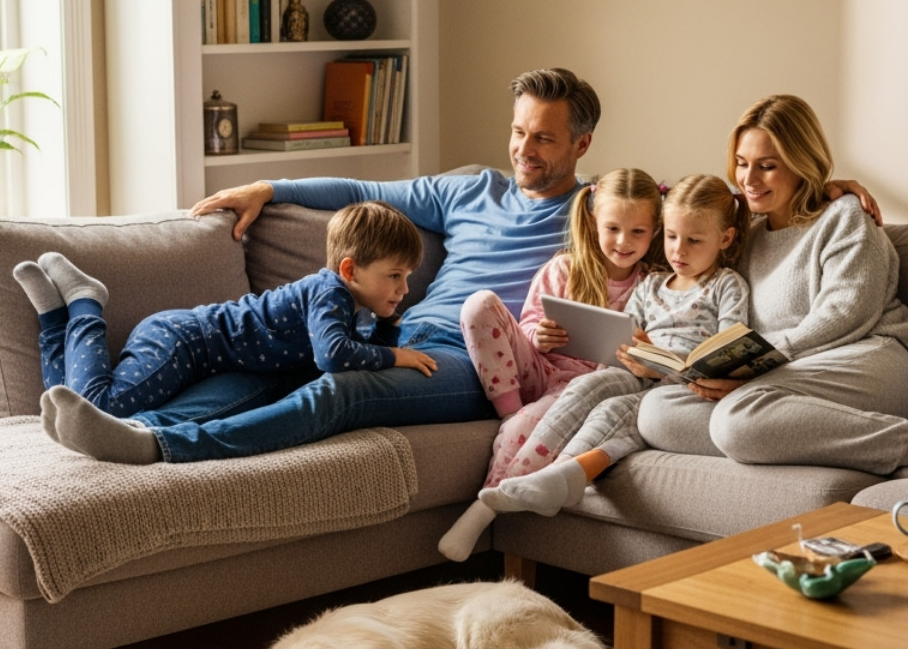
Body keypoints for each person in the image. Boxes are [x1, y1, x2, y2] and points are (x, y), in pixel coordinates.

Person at [38, 67, 603, 464]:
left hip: (480, 361)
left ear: (581, 145)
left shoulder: (596, 213)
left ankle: (168, 447)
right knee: (276, 368)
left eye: (544, 139)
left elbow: (666, 245)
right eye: (517, 131)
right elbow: (361, 188)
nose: (524, 148)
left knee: (341, 389)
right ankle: (134, 429)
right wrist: (269, 186)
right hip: (402, 330)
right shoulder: (472, 189)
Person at [636, 94, 908, 486]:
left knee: (737, 420)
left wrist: (757, 367)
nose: (748, 179)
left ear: (801, 163)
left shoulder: (845, 217)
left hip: (870, 360)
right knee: (657, 412)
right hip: (781, 380)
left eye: (767, 166)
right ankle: (860, 456)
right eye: (742, 163)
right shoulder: (746, 236)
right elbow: (688, 254)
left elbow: (845, 315)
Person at [17, 203, 436, 447]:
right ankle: (87, 303)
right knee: (101, 406)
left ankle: (54, 319)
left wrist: (388, 323)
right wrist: (394, 354)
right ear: (351, 269)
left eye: (408, 277)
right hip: (185, 341)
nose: (405, 287)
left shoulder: (344, 297)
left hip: (191, 346)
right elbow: (334, 356)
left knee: (64, 401)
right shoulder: (330, 293)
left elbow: (354, 346)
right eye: (394, 276)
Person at [477, 173, 750, 519]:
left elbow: (730, 345)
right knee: (574, 393)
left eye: (694, 240)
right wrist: (633, 353)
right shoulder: (647, 284)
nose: (679, 250)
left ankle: (553, 479)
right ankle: (495, 498)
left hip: (670, 383)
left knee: (607, 410)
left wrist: (664, 362)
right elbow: (627, 337)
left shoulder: (722, 284)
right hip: (616, 373)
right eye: (672, 237)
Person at [438, 167, 665, 561]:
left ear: (655, 230)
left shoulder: (652, 286)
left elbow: (650, 363)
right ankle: (510, 412)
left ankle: (488, 504)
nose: (623, 242)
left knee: (527, 430)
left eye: (637, 232)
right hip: (537, 371)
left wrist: (644, 354)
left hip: (582, 390)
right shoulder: (564, 268)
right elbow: (525, 324)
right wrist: (536, 336)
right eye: (612, 228)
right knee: (479, 304)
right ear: (593, 220)